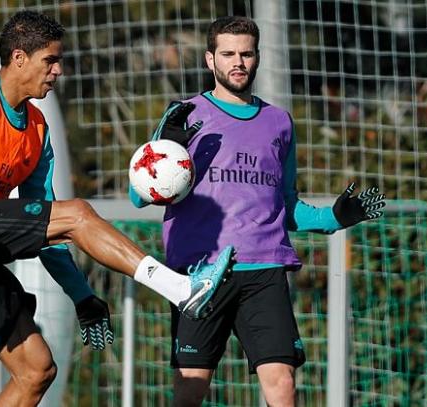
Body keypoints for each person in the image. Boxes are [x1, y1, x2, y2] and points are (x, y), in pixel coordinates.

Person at [0, 10, 235, 407]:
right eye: (50, 60)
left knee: (36, 368)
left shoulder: (36, 130)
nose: (58, 70)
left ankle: (176, 290)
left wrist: (82, 296)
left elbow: (49, 228)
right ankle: (181, 288)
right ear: (19, 57)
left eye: (60, 61)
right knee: (77, 212)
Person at [129, 16, 386, 407]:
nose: (238, 62)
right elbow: (139, 195)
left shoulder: (279, 122)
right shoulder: (184, 115)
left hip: (264, 269)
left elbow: (286, 207)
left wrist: (335, 217)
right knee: (190, 388)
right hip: (199, 275)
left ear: (257, 58)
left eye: (246, 54)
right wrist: (166, 145)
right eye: (228, 53)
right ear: (209, 60)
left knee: (282, 384)